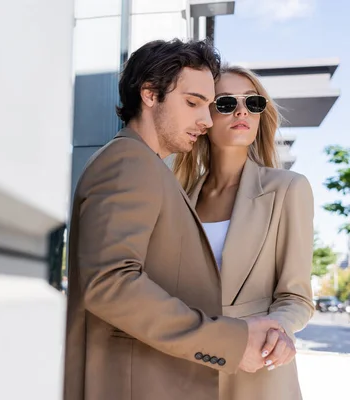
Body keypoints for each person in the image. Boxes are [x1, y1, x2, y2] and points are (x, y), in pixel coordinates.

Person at [63, 39, 281, 400]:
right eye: (193, 103)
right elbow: (111, 284)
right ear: (150, 94)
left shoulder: (149, 167)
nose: (206, 120)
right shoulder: (128, 163)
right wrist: (230, 341)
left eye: (209, 107)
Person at [173, 65, 314, 399]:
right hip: (187, 372)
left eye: (253, 103)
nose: (241, 111)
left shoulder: (288, 189)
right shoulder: (180, 199)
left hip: (258, 374)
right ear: (204, 118)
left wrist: (278, 330)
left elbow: (296, 297)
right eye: (225, 103)